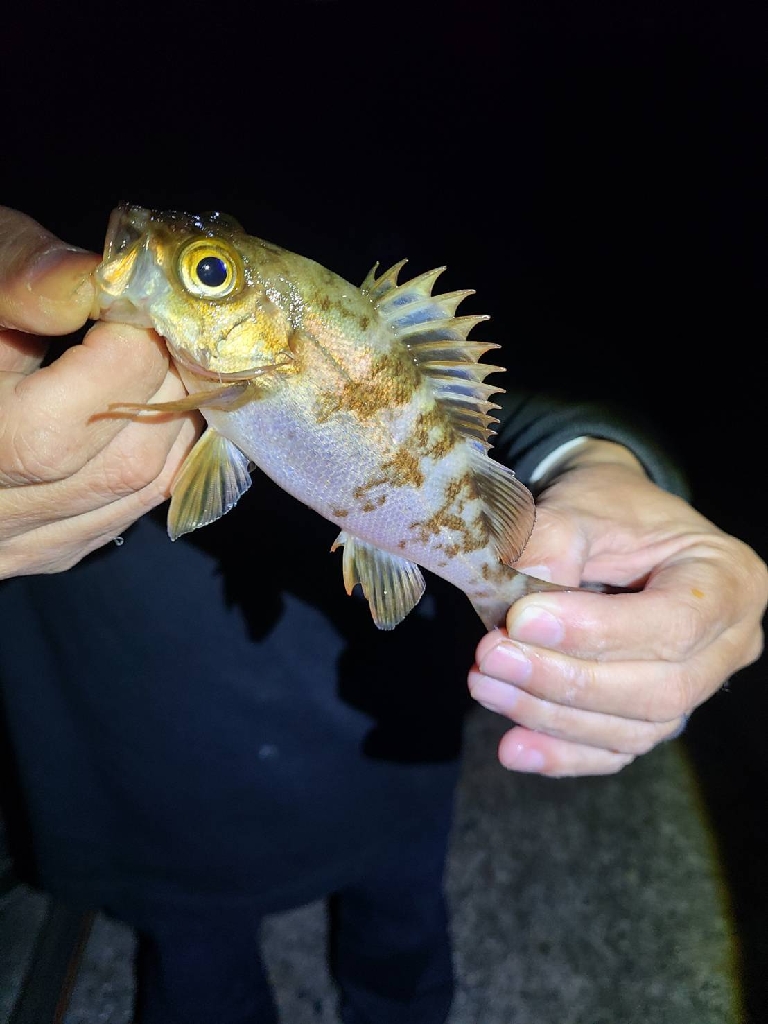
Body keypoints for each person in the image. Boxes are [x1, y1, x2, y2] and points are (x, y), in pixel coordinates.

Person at [0, 205, 765, 1024]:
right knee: (197, 970)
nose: (163, 256)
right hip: (132, 758)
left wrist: (599, 448)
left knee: (401, 951)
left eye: (209, 272)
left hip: (398, 741)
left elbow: (547, 320)